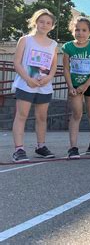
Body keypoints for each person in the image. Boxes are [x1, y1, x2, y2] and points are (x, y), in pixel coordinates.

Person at [11, 9, 58, 162]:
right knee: (22, 115)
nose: (44, 25)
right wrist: (27, 79)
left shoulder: (53, 44)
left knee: (42, 117)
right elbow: (17, 63)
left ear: (52, 26)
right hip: (26, 85)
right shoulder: (25, 40)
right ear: (35, 22)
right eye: (42, 21)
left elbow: (53, 67)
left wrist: (49, 78)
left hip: (43, 86)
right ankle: (19, 149)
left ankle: (41, 146)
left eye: (48, 23)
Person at [63, 16, 90, 159]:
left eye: (84, 30)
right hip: (75, 86)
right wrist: (71, 86)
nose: (80, 33)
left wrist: (86, 85)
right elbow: (66, 69)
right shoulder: (68, 47)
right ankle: (73, 147)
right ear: (72, 31)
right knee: (77, 113)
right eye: (77, 30)